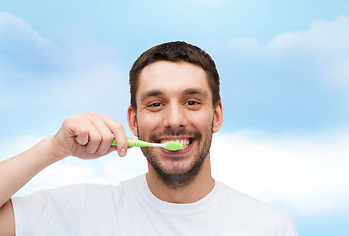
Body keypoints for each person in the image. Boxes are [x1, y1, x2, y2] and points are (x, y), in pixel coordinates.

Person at [0, 41, 298, 235]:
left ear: (216, 116)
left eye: (192, 102)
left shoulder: (269, 227)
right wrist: (51, 149)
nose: (174, 120)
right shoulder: (80, 211)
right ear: (133, 121)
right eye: (156, 104)